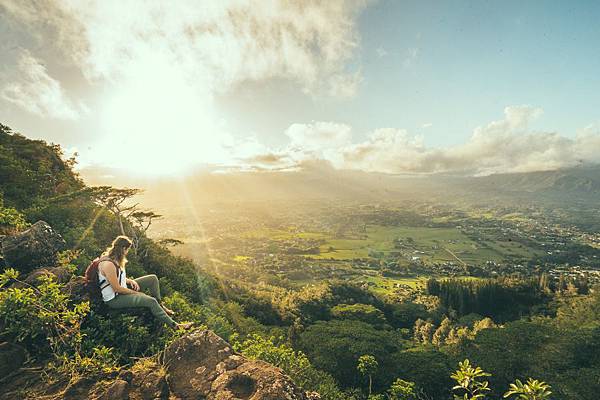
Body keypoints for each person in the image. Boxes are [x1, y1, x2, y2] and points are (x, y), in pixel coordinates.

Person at [97, 235, 192, 329]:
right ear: (123, 248)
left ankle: (160, 306)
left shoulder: (115, 259)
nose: (127, 252)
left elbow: (113, 277)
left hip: (122, 288)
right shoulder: (108, 264)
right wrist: (136, 293)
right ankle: (176, 326)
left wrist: (130, 281)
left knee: (152, 279)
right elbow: (116, 288)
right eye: (127, 250)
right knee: (151, 301)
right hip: (115, 299)